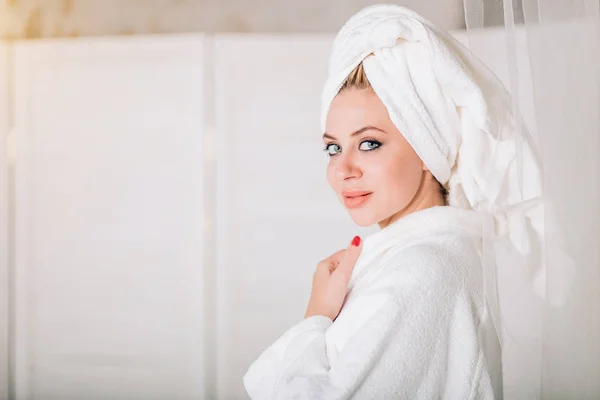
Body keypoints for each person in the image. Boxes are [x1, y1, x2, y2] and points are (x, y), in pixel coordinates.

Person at [243, 4, 573, 399]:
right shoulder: (430, 256)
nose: (342, 169)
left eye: (369, 143)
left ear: (425, 150)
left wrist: (316, 318)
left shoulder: (423, 270)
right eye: (333, 148)